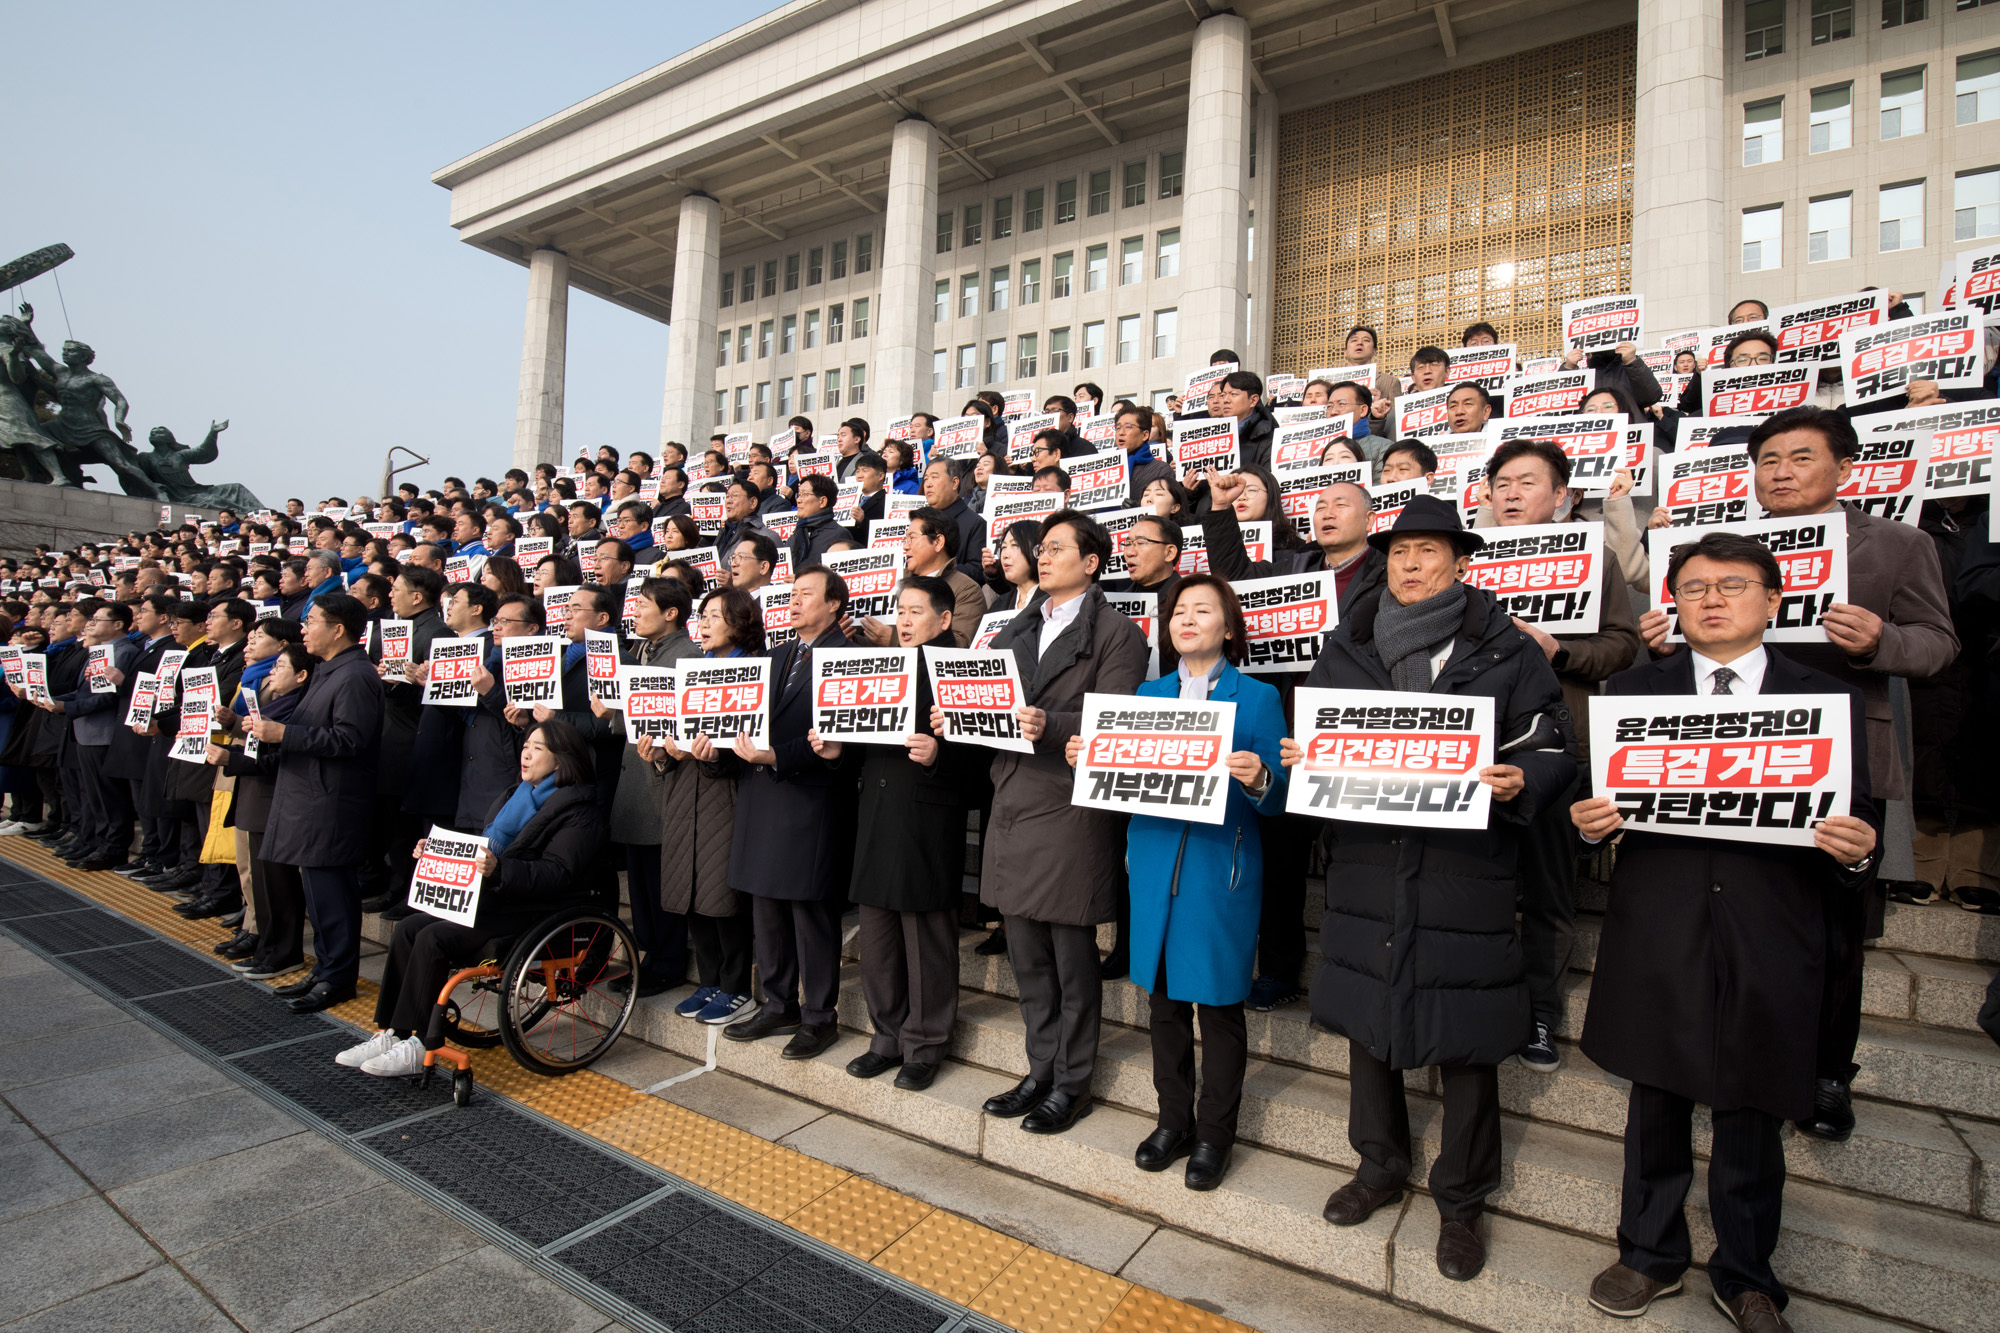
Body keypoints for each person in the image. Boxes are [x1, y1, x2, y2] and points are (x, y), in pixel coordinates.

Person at [1573, 532, 1878, 1332]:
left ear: (1774, 601)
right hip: (1661, 922)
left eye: (1731, 584)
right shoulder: (1634, 692)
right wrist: (1589, 824)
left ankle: (1746, 1271)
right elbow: (1592, 805)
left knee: (1752, 1103)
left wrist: (1860, 849)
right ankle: (1648, 1251)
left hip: (1771, 921)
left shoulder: (1825, 697)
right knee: (1657, 1097)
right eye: (1694, 587)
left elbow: (1862, 817)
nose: (1710, 598)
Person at [1637, 406, 1956, 1142]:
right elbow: (1693, 643)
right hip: (1723, 765)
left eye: (1799, 457)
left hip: (1842, 764)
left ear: (1844, 468)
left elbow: (1939, 645)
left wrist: (1884, 640)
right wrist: (1662, 644)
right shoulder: (1716, 552)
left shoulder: (1899, 546)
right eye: (1768, 458)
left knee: (1838, 932)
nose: (1779, 471)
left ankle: (1826, 1073)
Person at [1288, 494, 1575, 1283]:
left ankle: (1462, 1199)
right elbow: (1315, 745)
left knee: (1470, 1038)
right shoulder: (1345, 645)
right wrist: (1298, 757)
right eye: (1401, 551)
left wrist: (1526, 779)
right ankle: (1378, 1165)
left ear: (1460, 559)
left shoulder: (1505, 647)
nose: (1412, 565)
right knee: (1368, 1025)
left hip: (1466, 870)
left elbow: (1552, 743)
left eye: (1429, 551)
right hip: (1368, 868)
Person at [1090, 575, 1286, 1190]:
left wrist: (1257, 779)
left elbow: (1277, 802)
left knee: (1220, 1007)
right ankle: (1171, 1120)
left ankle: (1215, 1134)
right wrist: (1088, 756)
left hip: (1216, 870)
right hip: (1152, 867)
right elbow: (1119, 776)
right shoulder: (1147, 692)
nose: (1188, 619)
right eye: (1179, 611)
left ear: (1228, 628)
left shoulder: (1256, 697)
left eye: (1204, 610)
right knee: (1165, 1004)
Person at [972, 510, 1148, 1133]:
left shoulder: (1119, 635)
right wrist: (960, 718)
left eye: (1056, 549)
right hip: (1014, 800)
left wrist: (1055, 727)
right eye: (1039, 549)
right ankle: (1039, 1067)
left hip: (1072, 805)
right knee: (1026, 956)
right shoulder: (1013, 628)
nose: (1042, 558)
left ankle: (1073, 1082)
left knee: (1071, 959)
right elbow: (987, 702)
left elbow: (1120, 717)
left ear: (1092, 563)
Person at [1482, 438, 1641, 1071]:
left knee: (1548, 891)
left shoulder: (1594, 559)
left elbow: (1625, 646)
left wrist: (1562, 652)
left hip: (1555, 752)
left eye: (1528, 483)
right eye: (1503, 485)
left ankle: (1539, 1013)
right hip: (1476, 754)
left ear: (1561, 496)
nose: (1513, 493)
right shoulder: (1467, 565)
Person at [337, 719, 605, 1077]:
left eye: (538, 748)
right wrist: (436, 852)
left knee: (434, 938)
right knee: (409, 928)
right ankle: (394, 1032)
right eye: (525, 745)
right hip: (496, 897)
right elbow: (481, 847)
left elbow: (558, 873)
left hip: (539, 910)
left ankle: (421, 1045)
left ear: (562, 759)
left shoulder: (581, 811)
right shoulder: (515, 795)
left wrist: (500, 870)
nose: (525, 753)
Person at [827, 576, 973, 1090]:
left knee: (925, 935)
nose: (905, 620)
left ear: (946, 618)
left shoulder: (960, 670)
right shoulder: (882, 664)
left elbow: (985, 755)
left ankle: (926, 1043)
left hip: (928, 817)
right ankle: (885, 1036)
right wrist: (834, 748)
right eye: (900, 611)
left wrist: (942, 754)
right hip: (877, 812)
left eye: (916, 611)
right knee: (879, 933)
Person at [719, 566, 854, 1059]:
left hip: (811, 800)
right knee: (766, 909)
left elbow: (840, 738)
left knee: (810, 914)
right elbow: (740, 722)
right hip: (762, 798)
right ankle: (778, 1003)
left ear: (835, 604)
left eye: (806, 595)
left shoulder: (853, 658)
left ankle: (820, 1015)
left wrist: (776, 756)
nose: (794, 602)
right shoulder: (773, 658)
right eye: (791, 594)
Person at [257, 594, 386, 1013]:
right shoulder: (329, 671)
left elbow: (351, 739)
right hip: (311, 797)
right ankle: (327, 967)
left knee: (332, 895)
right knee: (318, 894)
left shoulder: (355, 676)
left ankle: (338, 976)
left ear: (338, 629)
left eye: (310, 621)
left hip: (330, 802)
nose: (302, 629)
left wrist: (284, 735)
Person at [652, 587, 761, 1026]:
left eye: (715, 615)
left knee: (722, 896)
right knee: (692, 893)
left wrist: (715, 757)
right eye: (703, 615)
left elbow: (751, 744)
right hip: (684, 794)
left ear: (739, 621)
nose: (705, 622)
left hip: (727, 797)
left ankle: (737, 988)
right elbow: (670, 736)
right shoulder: (690, 673)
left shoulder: (752, 672)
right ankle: (711, 980)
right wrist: (662, 753)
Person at [596, 576, 698, 997]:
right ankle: (652, 957)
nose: (634, 611)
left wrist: (615, 713)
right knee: (641, 885)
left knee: (661, 885)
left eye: (643, 605)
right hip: (637, 785)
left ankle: (668, 960)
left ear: (670, 613)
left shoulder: (685, 656)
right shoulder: (645, 652)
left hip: (662, 786)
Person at [209, 636, 312, 978]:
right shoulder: (274, 706)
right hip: (255, 802)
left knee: (276, 885)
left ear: (301, 675)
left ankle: (283, 952)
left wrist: (231, 758)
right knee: (263, 885)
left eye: (280, 667)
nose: (271, 675)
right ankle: (267, 948)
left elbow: (274, 759)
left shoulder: (297, 709)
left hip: (271, 804)